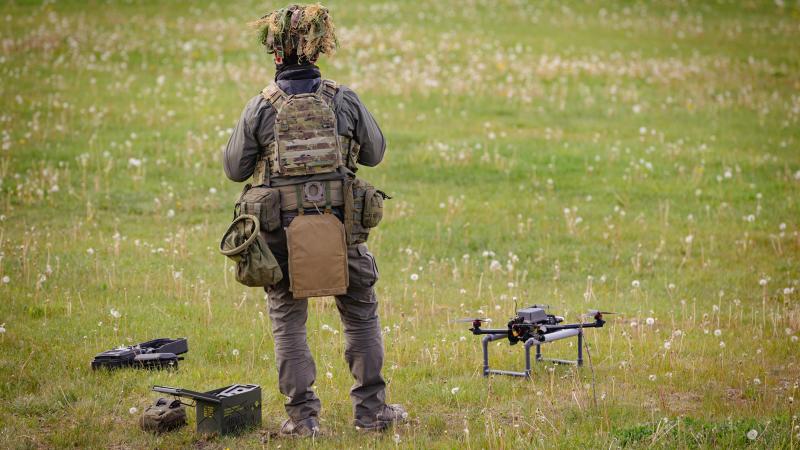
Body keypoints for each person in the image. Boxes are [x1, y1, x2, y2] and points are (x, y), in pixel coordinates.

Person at [222, 4, 406, 437]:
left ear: (277, 55)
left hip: (281, 236)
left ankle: (303, 421)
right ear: (318, 49)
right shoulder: (344, 98)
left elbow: (234, 168)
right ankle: (372, 414)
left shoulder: (261, 106)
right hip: (343, 230)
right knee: (361, 317)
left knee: (288, 321)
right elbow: (376, 154)